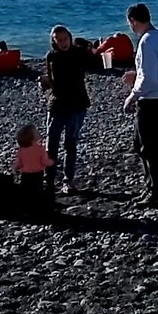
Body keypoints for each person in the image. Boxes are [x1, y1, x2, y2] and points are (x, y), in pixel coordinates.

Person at [123, 3, 158, 207]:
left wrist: (132, 96)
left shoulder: (146, 41)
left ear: (133, 21)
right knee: (142, 144)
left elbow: (149, 78)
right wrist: (137, 76)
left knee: (149, 147)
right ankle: (151, 187)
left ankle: (156, 192)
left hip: (151, 100)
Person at [41, 25, 98, 194]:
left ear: (70, 38)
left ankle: (68, 180)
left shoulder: (79, 53)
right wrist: (46, 86)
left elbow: (95, 63)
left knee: (70, 143)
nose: (63, 42)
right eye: (59, 40)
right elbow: (52, 80)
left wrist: (97, 54)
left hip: (77, 104)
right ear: (54, 41)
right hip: (57, 104)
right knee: (51, 144)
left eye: (65, 38)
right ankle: (49, 179)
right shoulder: (52, 56)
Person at [14, 124, 54, 210]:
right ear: (32, 137)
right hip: (37, 174)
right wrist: (51, 162)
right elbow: (44, 162)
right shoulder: (40, 149)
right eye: (36, 132)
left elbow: (19, 162)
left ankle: (26, 205)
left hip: (25, 174)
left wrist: (16, 168)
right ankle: (37, 205)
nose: (39, 133)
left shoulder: (21, 150)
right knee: (37, 190)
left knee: (25, 190)